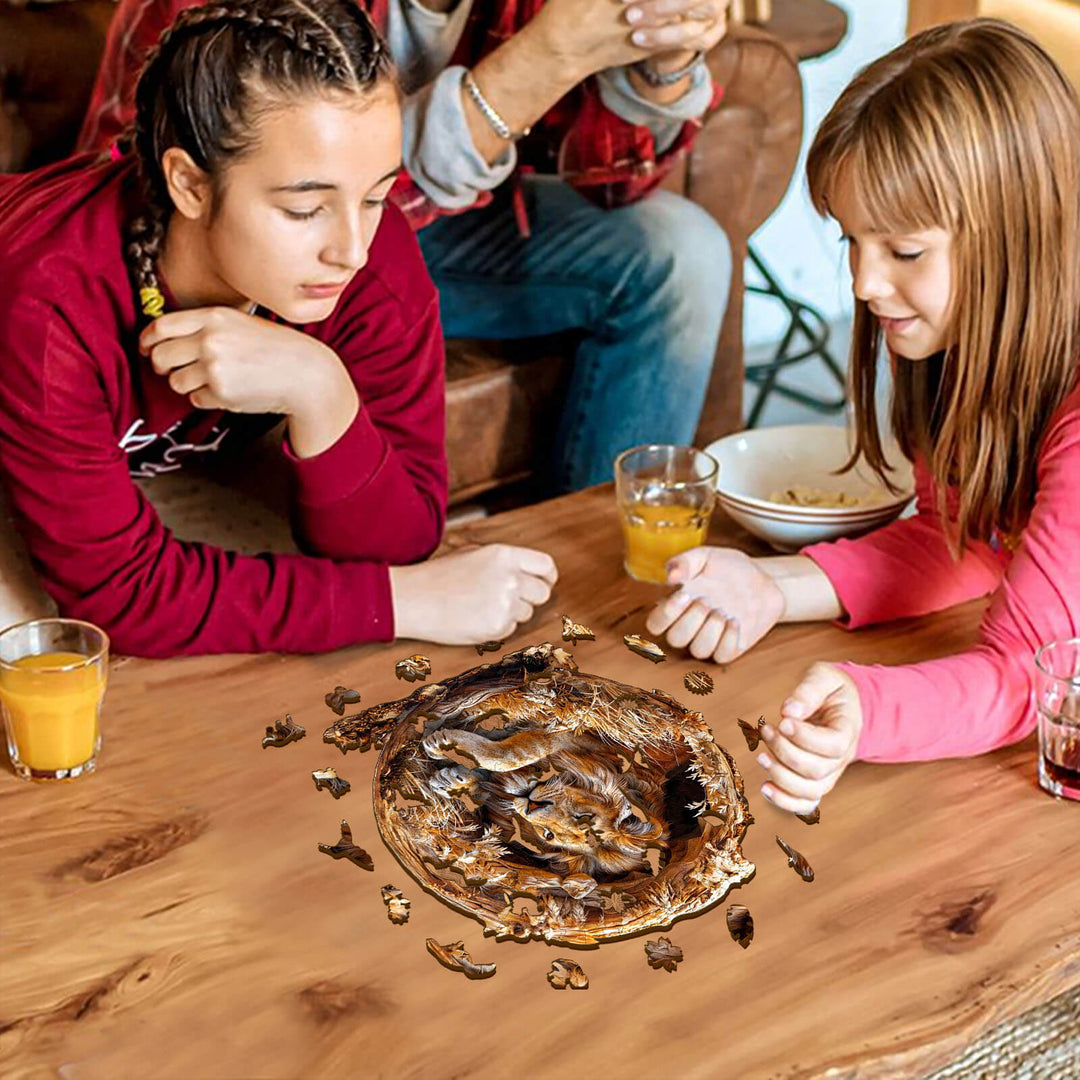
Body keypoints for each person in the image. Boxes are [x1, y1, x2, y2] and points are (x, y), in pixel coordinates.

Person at [0, 0, 557, 656]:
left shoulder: (371, 255)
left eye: (374, 196)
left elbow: (402, 537)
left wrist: (321, 390)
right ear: (189, 185)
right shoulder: (49, 299)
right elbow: (123, 597)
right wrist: (405, 601)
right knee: (33, 649)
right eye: (305, 209)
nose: (351, 248)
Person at [645, 18, 1080, 814]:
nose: (862, 283)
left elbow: (1033, 673)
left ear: (1023, 236)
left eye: (904, 252)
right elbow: (966, 537)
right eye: (852, 240)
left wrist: (869, 709)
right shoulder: (963, 347)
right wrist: (772, 587)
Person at [77, 0, 734, 492]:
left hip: (431, 223)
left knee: (680, 251)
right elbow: (162, 206)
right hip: (230, 247)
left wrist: (660, 63)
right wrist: (544, 59)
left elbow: (617, 187)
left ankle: (602, 558)